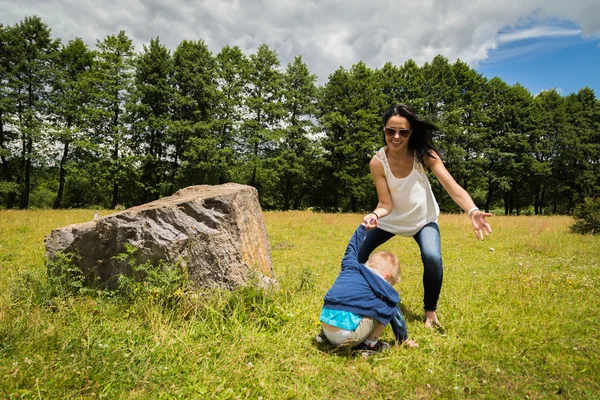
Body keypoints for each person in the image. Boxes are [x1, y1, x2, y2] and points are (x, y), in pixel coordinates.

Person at [358, 104, 492, 329]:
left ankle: (430, 313)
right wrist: (374, 214)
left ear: (411, 133)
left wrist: (473, 210)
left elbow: (452, 187)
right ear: (384, 131)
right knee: (357, 254)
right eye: (391, 131)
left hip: (423, 220)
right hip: (391, 220)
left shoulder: (424, 155)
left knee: (432, 258)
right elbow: (385, 203)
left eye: (403, 132)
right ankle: (355, 297)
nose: (396, 136)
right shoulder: (377, 162)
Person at [318, 223, 418, 352]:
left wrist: (362, 229)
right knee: (388, 308)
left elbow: (351, 249)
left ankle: (324, 336)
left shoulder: (350, 267)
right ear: (386, 276)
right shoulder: (383, 288)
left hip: (326, 328)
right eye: (391, 283)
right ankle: (369, 345)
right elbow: (396, 316)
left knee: (346, 303)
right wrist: (403, 339)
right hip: (347, 338)